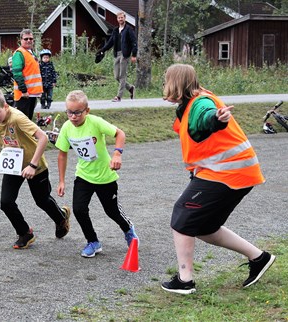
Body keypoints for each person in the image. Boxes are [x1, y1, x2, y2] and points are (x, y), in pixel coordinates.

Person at [161, 64, 275, 294]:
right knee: (204, 226)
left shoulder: (201, 102)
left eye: (166, 81)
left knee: (183, 215)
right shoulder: (190, 104)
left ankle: (185, 281)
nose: (164, 86)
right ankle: (259, 258)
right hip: (228, 173)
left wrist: (217, 118)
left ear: (176, 82)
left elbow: (207, 117)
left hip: (229, 173)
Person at [0, 87, 70, 249]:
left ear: (6, 106)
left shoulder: (17, 118)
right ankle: (25, 233)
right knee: (6, 202)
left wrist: (32, 165)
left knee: (42, 201)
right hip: (14, 164)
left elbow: (43, 138)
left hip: (34, 164)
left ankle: (61, 217)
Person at [55, 90, 138, 258]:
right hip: (84, 175)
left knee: (111, 211)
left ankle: (128, 230)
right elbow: (62, 154)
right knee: (79, 209)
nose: (73, 116)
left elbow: (119, 134)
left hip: (105, 176)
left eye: (78, 112)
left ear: (87, 110)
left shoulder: (95, 122)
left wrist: (117, 154)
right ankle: (93, 241)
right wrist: (62, 181)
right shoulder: (66, 127)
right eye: (69, 112)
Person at [96, 11, 137, 103]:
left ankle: (118, 97)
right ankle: (130, 88)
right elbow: (110, 42)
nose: (120, 19)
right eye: (119, 18)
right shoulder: (115, 30)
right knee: (116, 76)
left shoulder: (129, 29)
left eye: (122, 17)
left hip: (125, 54)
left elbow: (134, 42)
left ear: (124, 18)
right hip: (117, 54)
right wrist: (102, 50)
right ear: (117, 19)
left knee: (122, 76)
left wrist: (134, 55)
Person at [12, 29, 43, 120]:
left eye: (31, 38)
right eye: (26, 39)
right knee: (22, 123)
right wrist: (24, 90)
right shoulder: (19, 53)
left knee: (28, 122)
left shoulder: (31, 53)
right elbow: (17, 74)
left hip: (31, 94)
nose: (29, 40)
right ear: (20, 40)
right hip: (23, 95)